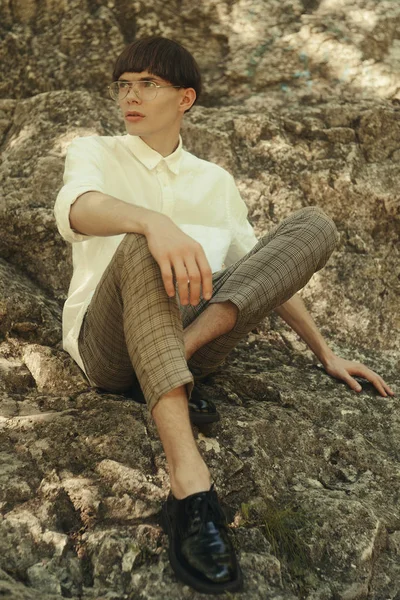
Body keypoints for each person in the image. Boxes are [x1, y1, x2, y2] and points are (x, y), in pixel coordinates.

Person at [54, 36, 394, 595]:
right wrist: (152, 222)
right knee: (141, 242)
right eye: (124, 85)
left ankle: (174, 355)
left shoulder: (214, 180)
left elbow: (263, 272)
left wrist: (326, 353)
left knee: (313, 226)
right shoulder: (95, 150)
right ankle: (191, 490)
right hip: (108, 343)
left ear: (185, 98)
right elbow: (76, 209)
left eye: (148, 84)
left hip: (194, 332)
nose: (130, 96)